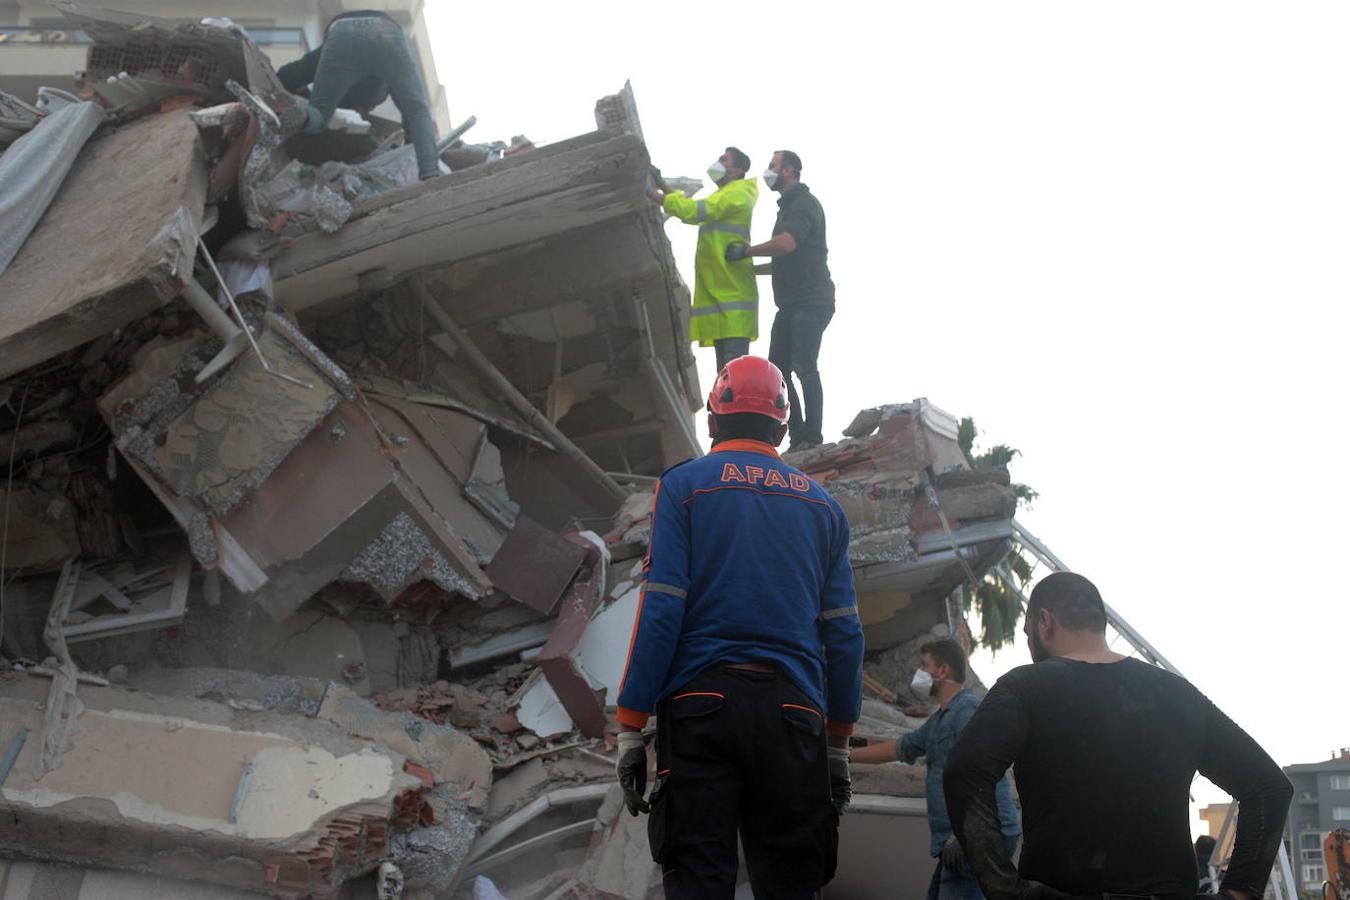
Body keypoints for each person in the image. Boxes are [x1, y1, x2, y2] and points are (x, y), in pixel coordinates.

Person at [613, 355, 864, 899]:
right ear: (784, 425)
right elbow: (845, 636)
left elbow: (662, 608)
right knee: (793, 884)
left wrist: (631, 723)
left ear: (712, 420)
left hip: (701, 708)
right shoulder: (824, 509)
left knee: (699, 879)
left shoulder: (685, 486)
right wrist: (838, 745)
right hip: (795, 716)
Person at [943, 572, 1292, 900]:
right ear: (1099, 623)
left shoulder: (1023, 688)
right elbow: (1268, 787)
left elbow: (964, 773)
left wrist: (1004, 889)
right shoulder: (1177, 694)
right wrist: (1240, 892)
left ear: (1045, 623)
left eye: (1028, 631)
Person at [850, 639, 1021, 900]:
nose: (919, 673)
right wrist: (845, 756)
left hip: (974, 839)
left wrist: (963, 835)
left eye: (924, 665)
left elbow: (981, 775)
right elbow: (900, 747)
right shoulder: (941, 719)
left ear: (942, 671)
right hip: (964, 842)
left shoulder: (967, 711)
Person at [726, 150, 834, 452]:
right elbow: (783, 259)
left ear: (788, 170)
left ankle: (811, 437)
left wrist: (746, 251)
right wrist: (747, 269)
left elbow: (786, 244)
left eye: (772, 166)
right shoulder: (786, 207)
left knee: (804, 366)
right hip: (790, 304)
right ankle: (799, 436)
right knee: (778, 370)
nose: (768, 171)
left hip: (810, 301)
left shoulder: (802, 203)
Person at [275, 11, 440, 180]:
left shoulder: (328, 59)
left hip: (343, 31)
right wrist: (411, 146)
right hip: (387, 32)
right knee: (417, 110)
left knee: (320, 114)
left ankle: (307, 116)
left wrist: (295, 96)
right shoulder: (390, 77)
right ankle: (431, 174)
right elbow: (415, 114)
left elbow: (287, 75)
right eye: (366, 107)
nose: (365, 110)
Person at [651, 147, 759, 372]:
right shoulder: (725, 195)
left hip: (732, 302)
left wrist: (653, 194)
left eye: (724, 159)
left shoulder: (737, 195)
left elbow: (694, 211)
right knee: (726, 376)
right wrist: (661, 183)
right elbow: (693, 210)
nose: (718, 162)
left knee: (732, 377)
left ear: (737, 170)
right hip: (723, 297)